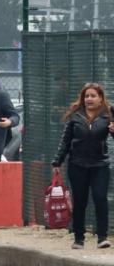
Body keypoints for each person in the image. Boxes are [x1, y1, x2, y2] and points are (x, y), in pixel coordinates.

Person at [52, 83, 114, 249]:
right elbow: (65, 141)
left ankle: (102, 237)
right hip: (77, 164)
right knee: (80, 201)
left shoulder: (109, 114)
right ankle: (79, 238)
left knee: (100, 198)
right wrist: (57, 161)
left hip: (100, 164)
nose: (89, 99)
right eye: (87, 96)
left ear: (101, 98)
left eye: (93, 96)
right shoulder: (75, 116)